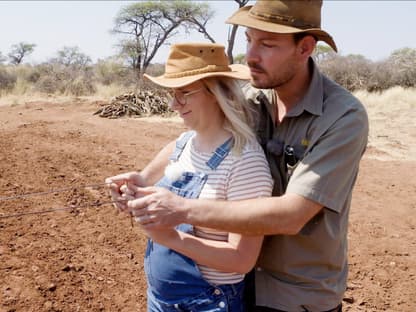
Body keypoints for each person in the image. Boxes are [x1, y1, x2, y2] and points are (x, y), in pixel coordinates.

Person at [108, 1, 369, 311]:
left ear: (305, 48)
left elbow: (292, 214)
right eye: (249, 40)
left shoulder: (342, 117)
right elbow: (193, 139)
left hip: (294, 293)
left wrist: (181, 210)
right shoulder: (250, 97)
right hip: (230, 283)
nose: (251, 55)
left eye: (267, 44)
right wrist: (145, 176)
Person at [107, 42, 273, 311]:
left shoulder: (246, 164)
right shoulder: (182, 143)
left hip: (207, 302)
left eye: (184, 93)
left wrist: (171, 238)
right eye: (173, 94)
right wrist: (129, 190)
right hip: (162, 299)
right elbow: (142, 181)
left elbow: (242, 260)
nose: (174, 104)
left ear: (215, 93)